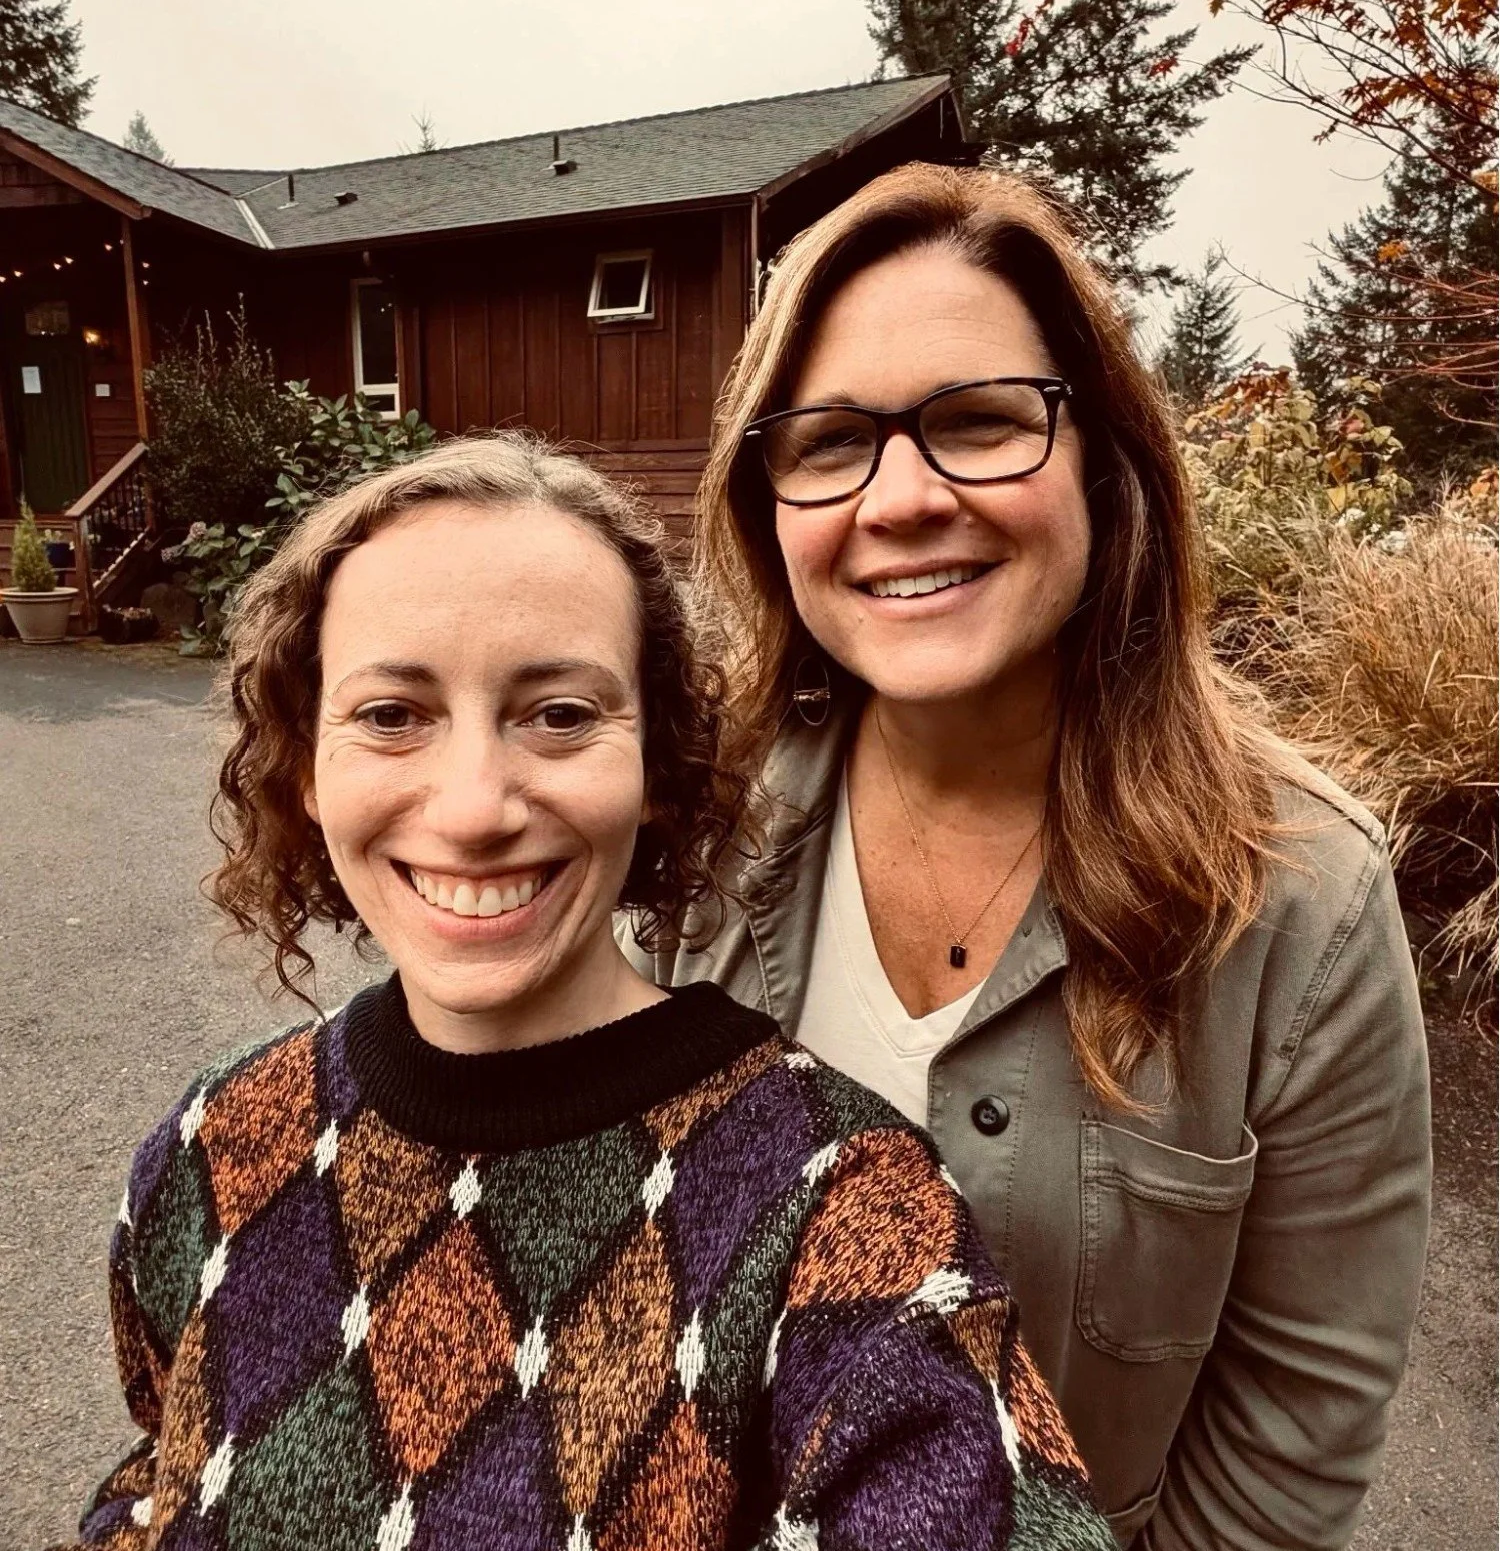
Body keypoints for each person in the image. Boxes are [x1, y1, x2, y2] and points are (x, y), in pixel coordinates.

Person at [67, 434, 1112, 1551]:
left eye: (560, 713)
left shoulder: (840, 1207)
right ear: (306, 768)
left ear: (659, 766)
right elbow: (152, 1473)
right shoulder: (211, 1147)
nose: (473, 807)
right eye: (391, 714)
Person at [622, 166, 1432, 1549]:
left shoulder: (1307, 906)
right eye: (829, 443)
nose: (900, 498)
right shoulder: (698, 826)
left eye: (980, 423)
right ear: (769, 501)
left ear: (1104, 461)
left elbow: (1289, 1446)